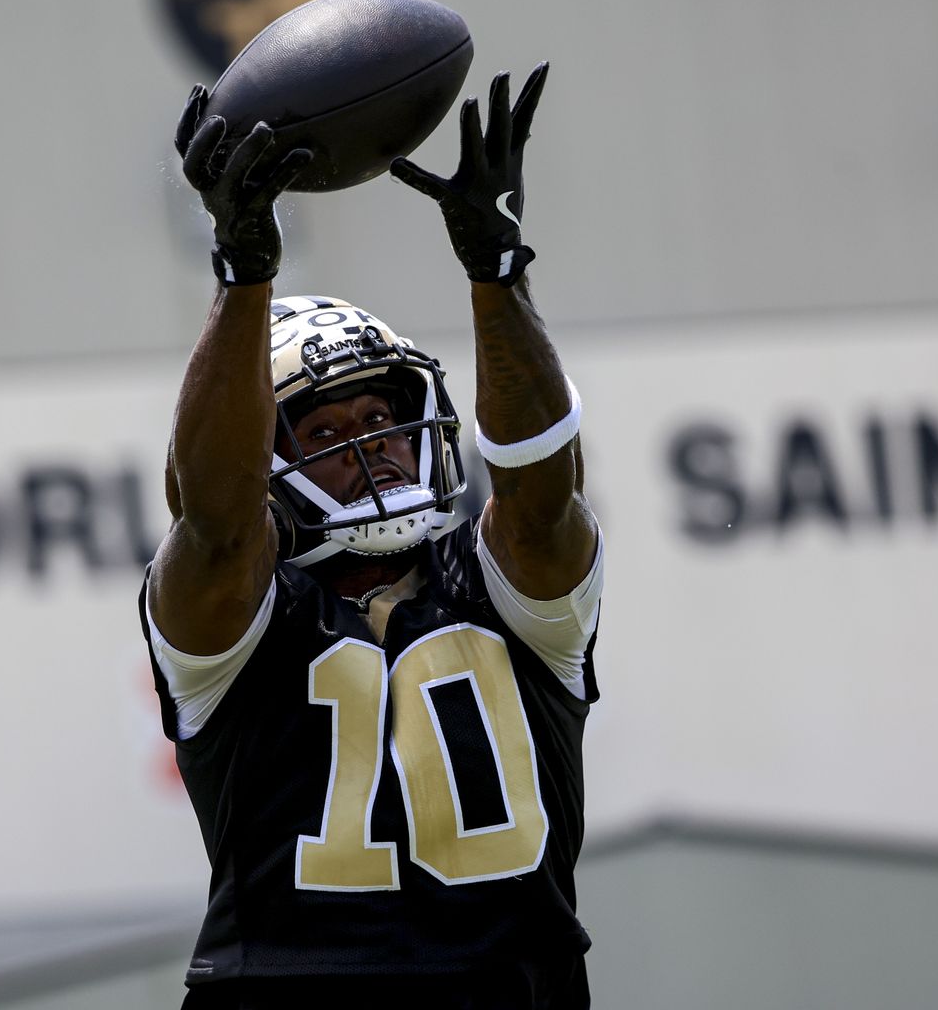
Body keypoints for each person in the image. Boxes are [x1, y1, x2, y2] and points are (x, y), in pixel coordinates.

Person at [144, 62, 602, 1009]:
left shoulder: (510, 584)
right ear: (263, 460)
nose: (378, 447)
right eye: (326, 432)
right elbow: (219, 525)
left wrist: (496, 269)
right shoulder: (227, 615)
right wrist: (245, 270)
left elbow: (543, 494)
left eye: (384, 417)